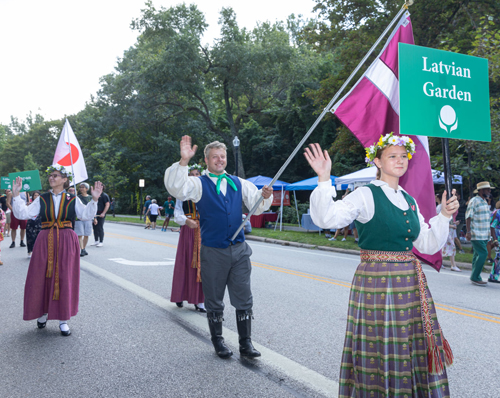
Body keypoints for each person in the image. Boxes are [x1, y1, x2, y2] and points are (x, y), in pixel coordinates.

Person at [305, 133, 456, 397]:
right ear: (377, 161)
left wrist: (443, 215)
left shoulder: (408, 199)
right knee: (382, 345)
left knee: (409, 343)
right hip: (377, 281)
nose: (400, 161)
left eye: (403, 156)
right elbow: (326, 218)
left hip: (410, 281)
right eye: (392, 156)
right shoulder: (365, 194)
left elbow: (428, 244)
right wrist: (323, 179)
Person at [165, 136, 273, 359]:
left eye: (222, 156)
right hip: (213, 251)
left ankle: (246, 344)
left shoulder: (239, 182)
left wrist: (265, 197)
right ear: (206, 160)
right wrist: (183, 162)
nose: (220, 160)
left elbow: (258, 206)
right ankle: (218, 341)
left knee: (244, 296)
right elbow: (177, 189)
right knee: (214, 298)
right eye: (215, 157)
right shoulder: (198, 184)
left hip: (240, 250)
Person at [12, 165, 102, 336]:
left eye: (55, 175)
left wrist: (95, 200)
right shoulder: (42, 198)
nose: (51, 178)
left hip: (67, 239)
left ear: (65, 180)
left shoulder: (73, 199)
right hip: (45, 239)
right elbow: (23, 214)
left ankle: (63, 319)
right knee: (41, 275)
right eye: (50, 176)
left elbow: (85, 215)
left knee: (64, 276)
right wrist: (16, 195)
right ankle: (43, 313)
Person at [171, 164, 206, 312]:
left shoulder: (207, 192)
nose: (195, 176)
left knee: (203, 263)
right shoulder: (182, 194)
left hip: (204, 230)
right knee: (186, 261)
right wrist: (186, 221)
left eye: (197, 174)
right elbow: (177, 213)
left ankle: (200, 301)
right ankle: (180, 294)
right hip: (189, 229)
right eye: (191, 174)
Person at [466, 181, 496, 286]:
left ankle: (475, 276)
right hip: (476, 233)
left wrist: (490, 236)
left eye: (489, 189)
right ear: (481, 190)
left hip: (484, 234)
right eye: (487, 189)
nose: (489, 191)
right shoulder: (474, 200)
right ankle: (475, 277)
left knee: (477, 255)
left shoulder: (484, 201)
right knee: (483, 254)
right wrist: (468, 232)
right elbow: (468, 216)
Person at [75, 183, 93, 256]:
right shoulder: (77, 198)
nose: (81, 189)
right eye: (80, 187)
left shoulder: (91, 198)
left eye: (83, 187)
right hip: (79, 218)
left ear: (87, 189)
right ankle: (82, 249)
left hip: (88, 219)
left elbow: (93, 208)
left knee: (86, 234)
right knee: (80, 235)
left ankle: (84, 248)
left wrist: (94, 218)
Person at [26, 191, 42, 258]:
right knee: (30, 236)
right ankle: (30, 251)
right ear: (33, 196)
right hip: (30, 222)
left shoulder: (42, 204)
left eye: (38, 195)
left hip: (39, 222)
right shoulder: (30, 204)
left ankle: (38, 251)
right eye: (35, 195)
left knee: (38, 237)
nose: (36, 196)